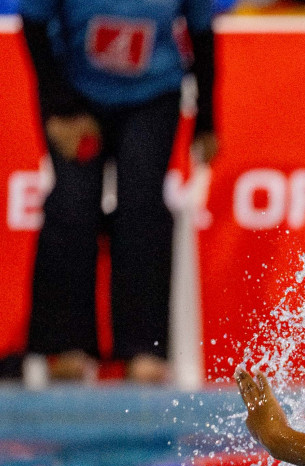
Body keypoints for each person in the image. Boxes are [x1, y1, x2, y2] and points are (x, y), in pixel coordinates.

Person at [19, 0, 218, 384]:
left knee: (142, 208)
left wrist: (207, 120)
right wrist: (60, 108)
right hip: (75, 96)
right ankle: (65, 344)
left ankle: (144, 348)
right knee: (72, 203)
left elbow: (202, 34)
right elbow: (33, 25)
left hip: (153, 97)